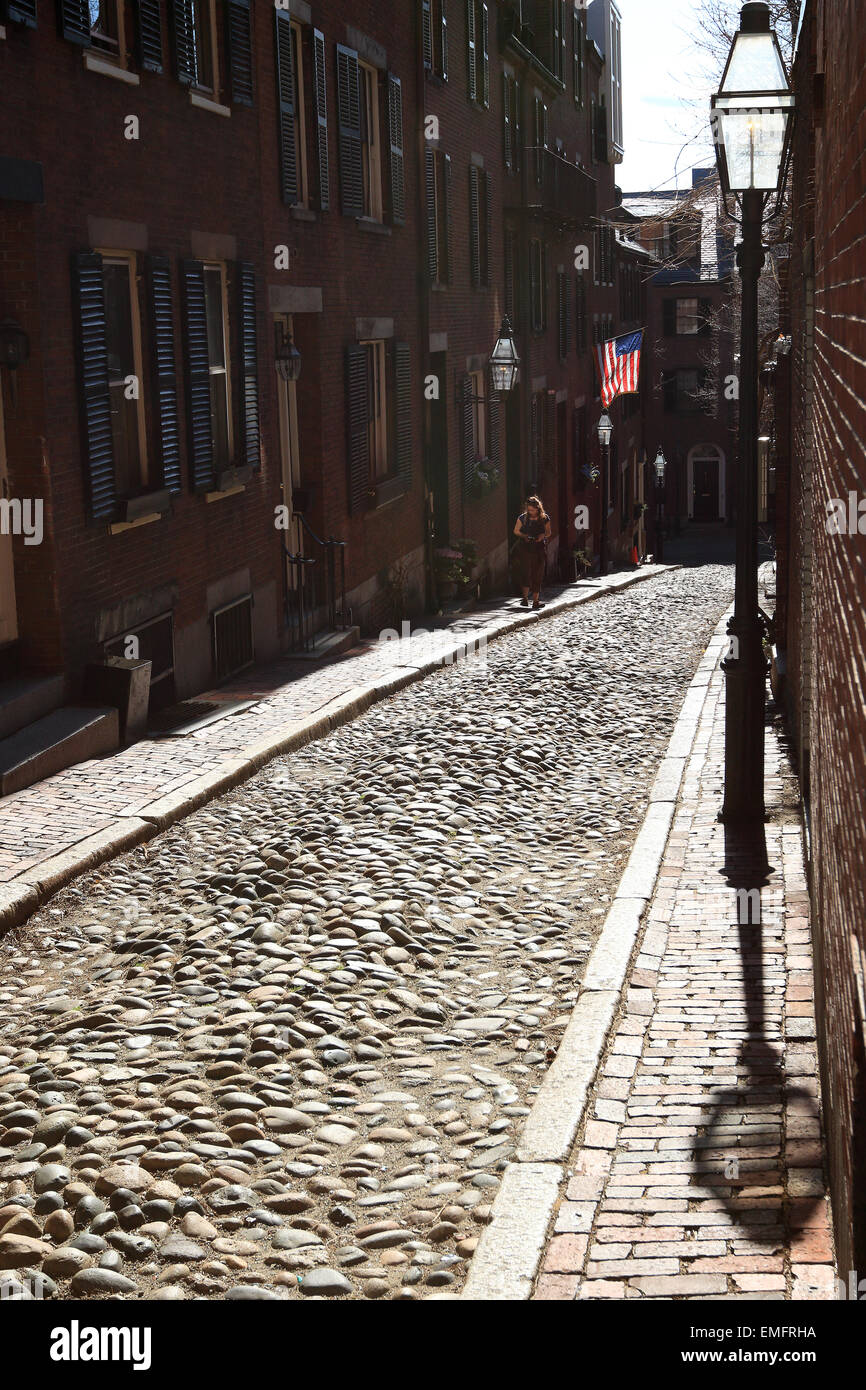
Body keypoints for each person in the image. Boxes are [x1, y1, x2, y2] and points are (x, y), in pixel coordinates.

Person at [512, 495, 551, 609]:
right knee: (525, 572)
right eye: (529, 510)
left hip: (539, 549)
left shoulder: (545, 518)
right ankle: (524, 599)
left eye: (532, 510)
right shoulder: (523, 518)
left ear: (538, 508)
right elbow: (516, 531)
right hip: (525, 548)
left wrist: (542, 535)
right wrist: (525, 536)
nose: (530, 512)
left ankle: (535, 601)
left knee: (537, 574)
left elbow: (548, 532)